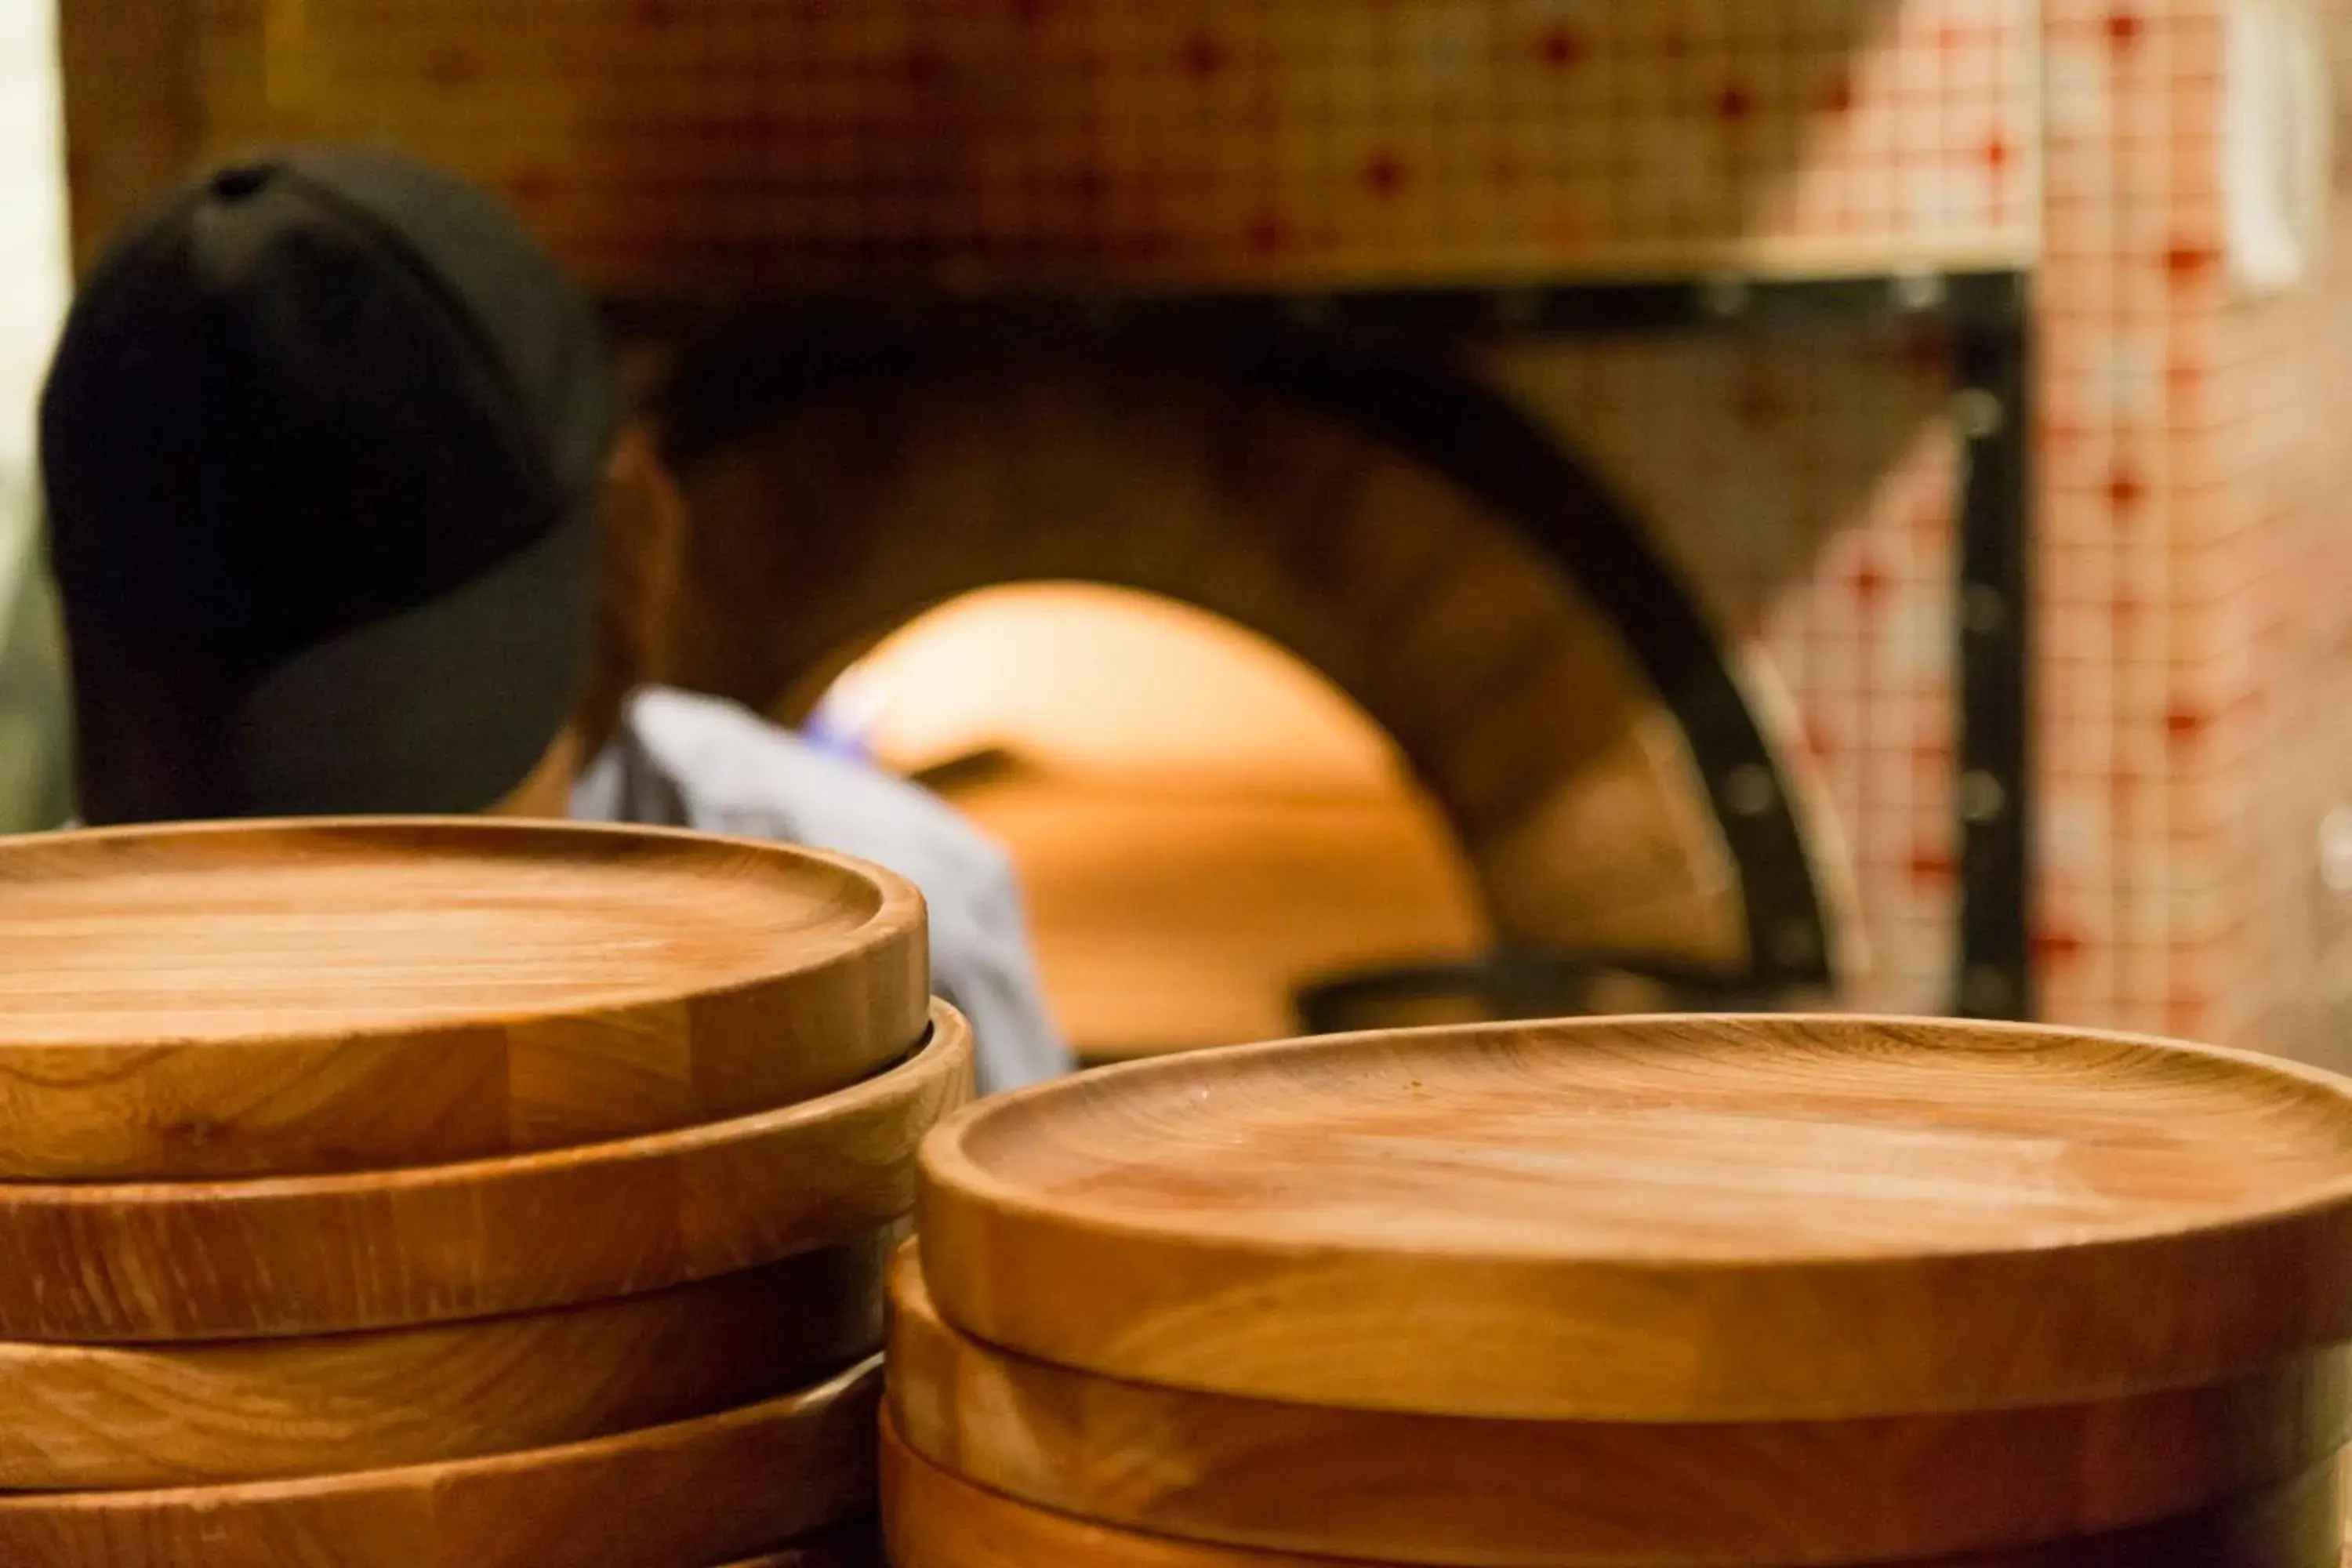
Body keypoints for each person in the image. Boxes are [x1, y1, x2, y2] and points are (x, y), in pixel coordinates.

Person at [38, 145, 1070, 1094]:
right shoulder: (43, 983)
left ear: (600, 597)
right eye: (217, 829)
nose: (323, 926)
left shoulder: (902, 946)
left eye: (409, 822)